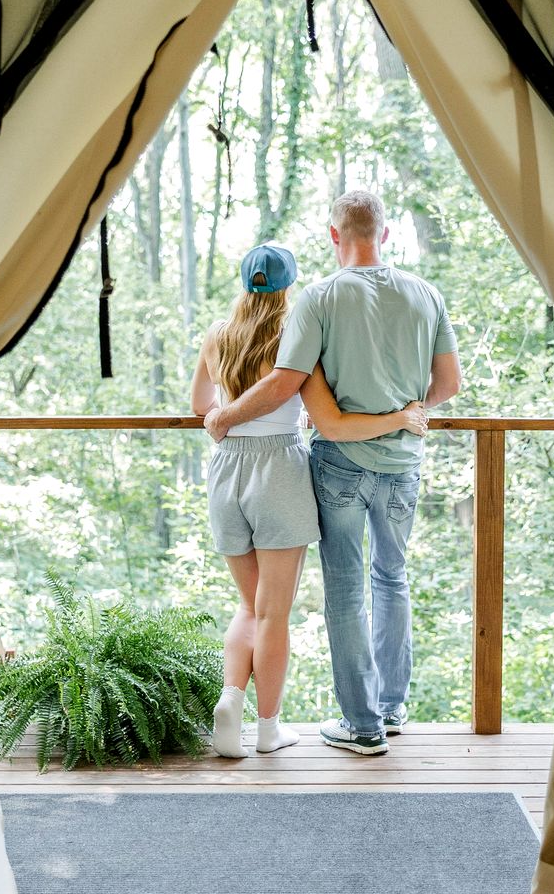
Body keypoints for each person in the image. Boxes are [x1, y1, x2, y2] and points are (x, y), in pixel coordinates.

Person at [205, 192, 461, 756]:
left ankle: (363, 726)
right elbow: (449, 385)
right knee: (392, 578)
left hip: (337, 462)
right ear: (387, 234)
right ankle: (392, 710)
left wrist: (221, 417)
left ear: (333, 236)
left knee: (345, 589)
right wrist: (407, 410)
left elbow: (286, 381)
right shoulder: (426, 294)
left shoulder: (318, 299)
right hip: (401, 462)